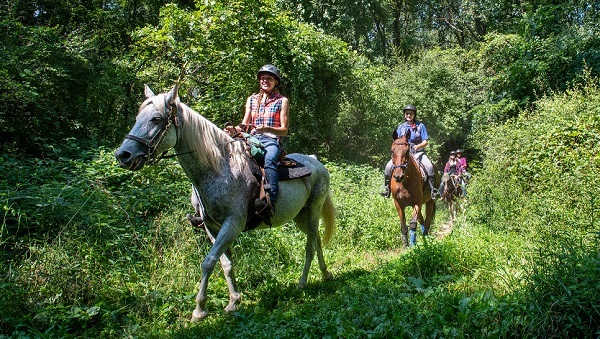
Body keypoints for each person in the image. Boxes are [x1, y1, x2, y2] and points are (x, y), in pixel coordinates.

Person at [230, 64, 289, 215]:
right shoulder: (251, 100)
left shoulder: (282, 101)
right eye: (262, 78)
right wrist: (234, 130)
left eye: (269, 78)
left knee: (269, 160)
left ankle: (270, 202)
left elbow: (284, 130)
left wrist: (267, 129)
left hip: (271, 139)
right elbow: (244, 125)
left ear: (276, 81)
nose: (265, 81)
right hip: (251, 138)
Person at [380, 105, 439, 198]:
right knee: (388, 167)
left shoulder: (420, 126)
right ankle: (387, 188)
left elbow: (425, 141)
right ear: (404, 115)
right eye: (407, 113)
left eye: (411, 114)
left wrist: (418, 146)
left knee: (429, 166)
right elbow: (397, 141)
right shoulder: (401, 127)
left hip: (418, 152)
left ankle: (433, 190)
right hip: (403, 154)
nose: (409, 115)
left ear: (414, 115)